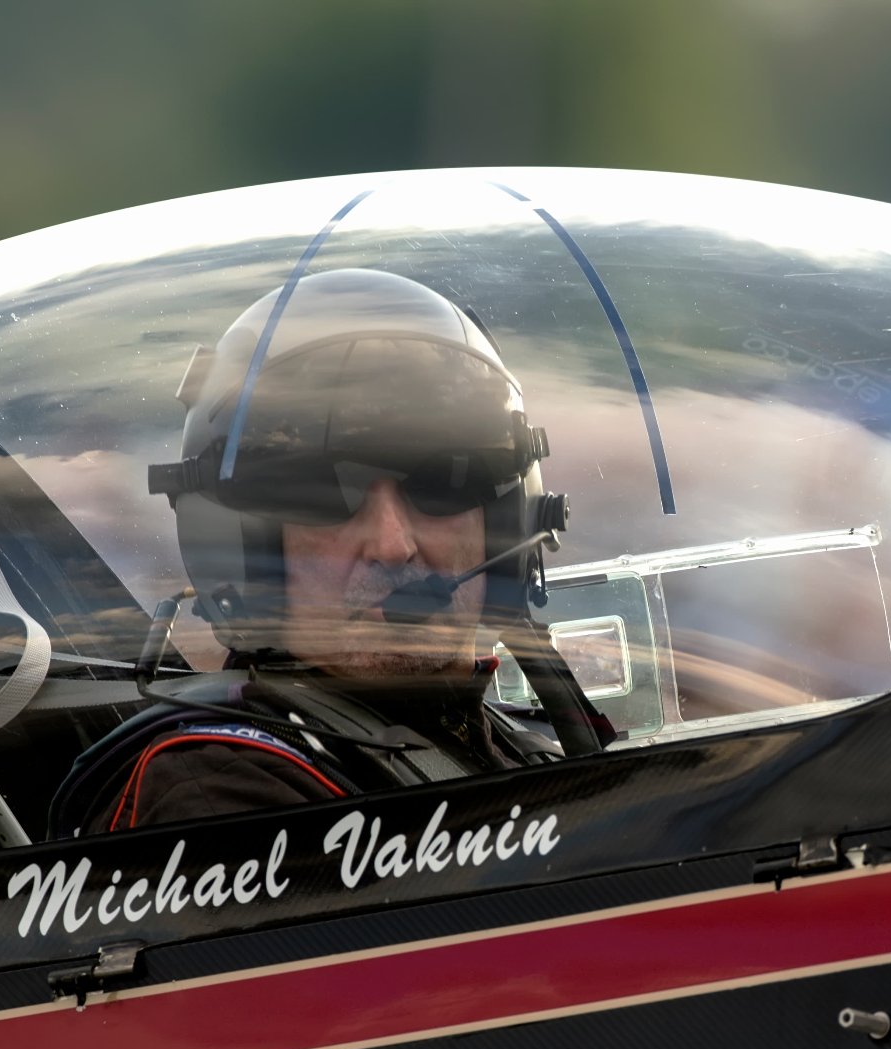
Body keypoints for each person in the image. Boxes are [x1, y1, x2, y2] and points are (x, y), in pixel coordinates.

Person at [61, 268, 598, 834]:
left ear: (510, 521)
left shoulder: (519, 744)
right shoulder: (221, 793)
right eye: (325, 498)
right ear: (238, 547)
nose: (393, 546)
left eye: (442, 483)